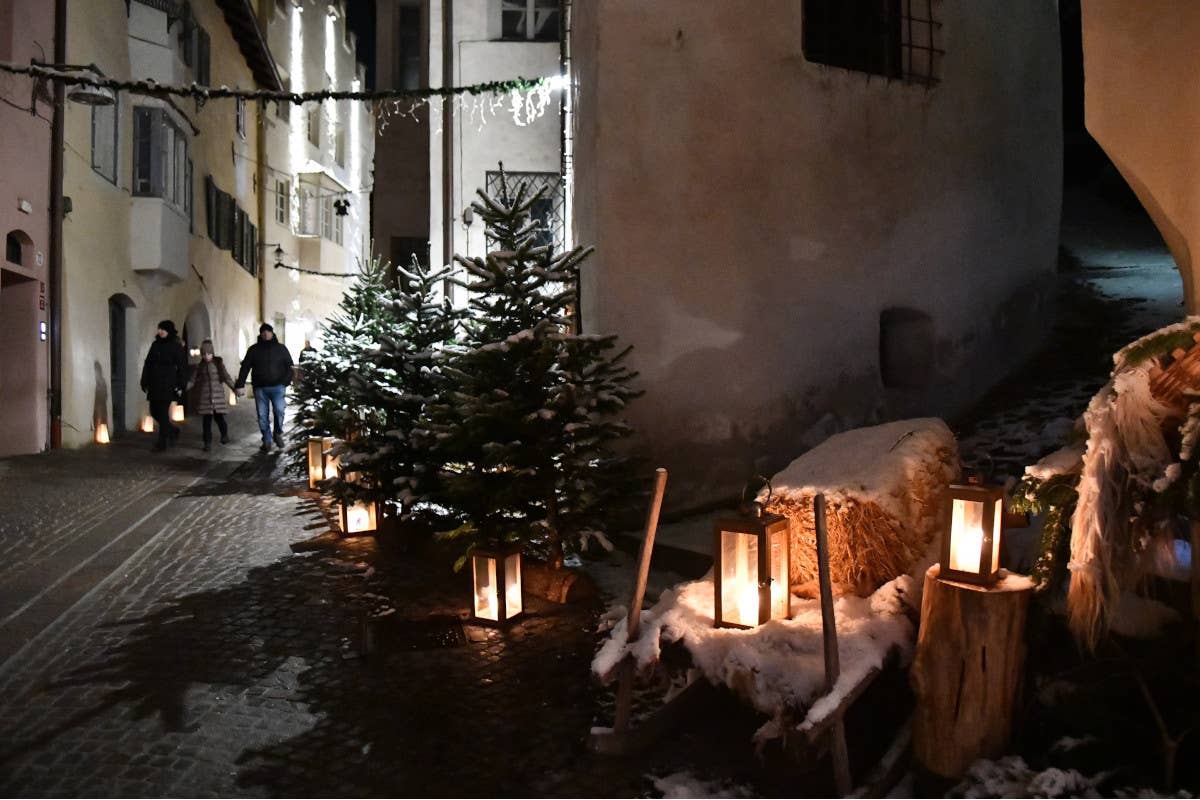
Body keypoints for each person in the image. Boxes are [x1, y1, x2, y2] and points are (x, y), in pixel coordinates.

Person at [235, 322, 294, 451]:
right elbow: (245, 367)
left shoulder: (281, 349)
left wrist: (285, 382)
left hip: (278, 386)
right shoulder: (254, 349)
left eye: (268, 331)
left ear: (272, 333)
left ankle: (277, 432)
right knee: (262, 415)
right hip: (260, 387)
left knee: (279, 410)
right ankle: (266, 440)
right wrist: (240, 384)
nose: (266, 334)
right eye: (263, 332)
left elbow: (290, 366)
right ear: (260, 334)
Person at [139, 319, 188, 452]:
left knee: (162, 412)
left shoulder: (175, 346)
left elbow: (182, 367)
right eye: (159, 329)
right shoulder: (155, 345)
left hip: (168, 384)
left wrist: (181, 384)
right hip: (155, 383)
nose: (160, 331)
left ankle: (162, 443)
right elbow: (148, 363)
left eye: (163, 329)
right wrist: (144, 380)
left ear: (169, 331)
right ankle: (173, 431)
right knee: (154, 411)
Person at [187, 339, 236, 452]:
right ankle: (207, 443)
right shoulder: (200, 367)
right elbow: (192, 380)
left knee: (220, 419)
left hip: (217, 396)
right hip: (205, 398)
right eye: (204, 354)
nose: (206, 356)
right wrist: (184, 387)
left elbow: (226, 377)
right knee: (206, 422)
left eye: (208, 354)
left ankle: (224, 435)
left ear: (212, 353)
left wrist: (235, 388)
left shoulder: (218, 364)